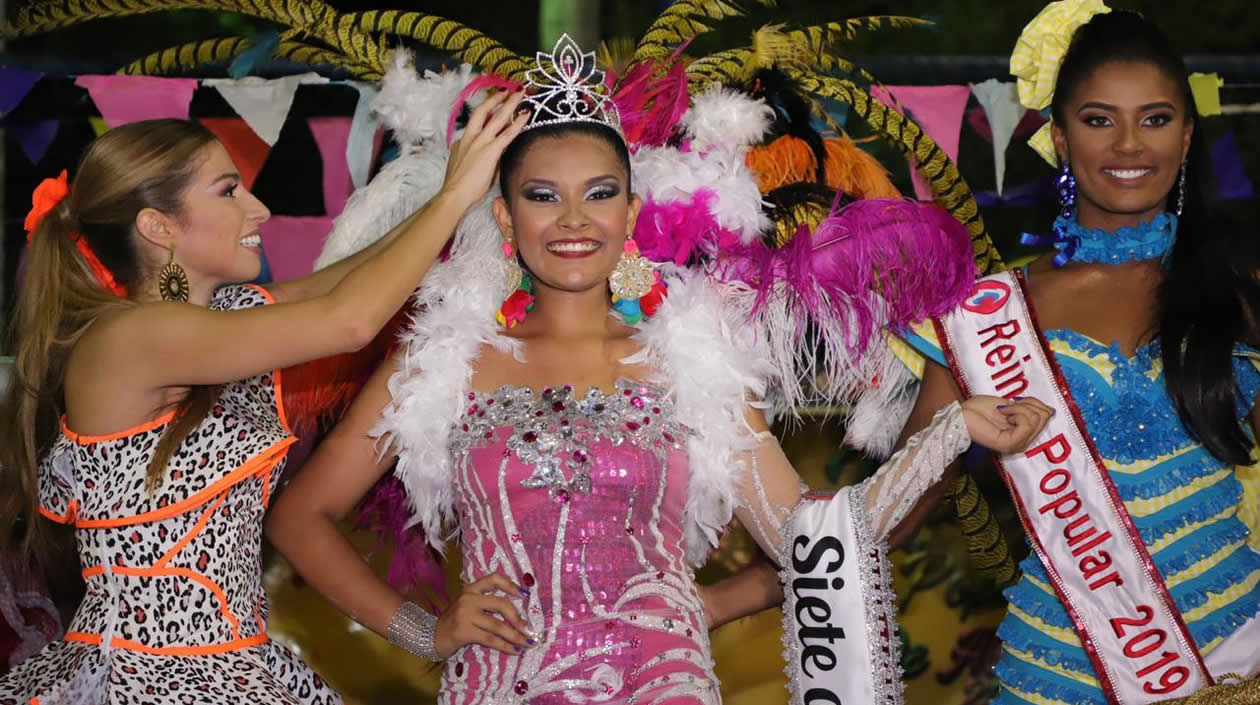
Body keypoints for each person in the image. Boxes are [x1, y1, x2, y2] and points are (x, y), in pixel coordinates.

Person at [267, 35, 1053, 704]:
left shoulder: (689, 355)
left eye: (599, 193)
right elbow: (300, 517)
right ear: (505, 216)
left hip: (662, 682)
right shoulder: (447, 355)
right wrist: (426, 629)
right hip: (498, 682)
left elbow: (814, 540)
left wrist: (952, 429)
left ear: (631, 212)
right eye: (544, 196)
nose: (574, 220)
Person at [0, 93, 528, 704]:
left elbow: (345, 283)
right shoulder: (129, 337)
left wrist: (456, 196)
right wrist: (455, 195)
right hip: (145, 680)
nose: (259, 208)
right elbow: (349, 320)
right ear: (158, 226)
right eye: (228, 191)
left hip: (236, 667)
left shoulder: (220, 319)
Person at [889, 4, 1260, 704]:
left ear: (1187, 136)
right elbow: (896, 507)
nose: (1129, 145)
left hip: (1233, 666)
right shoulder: (983, 313)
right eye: (1098, 119)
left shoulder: (1238, 306)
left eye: (1155, 119)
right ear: (1059, 137)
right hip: (1052, 676)